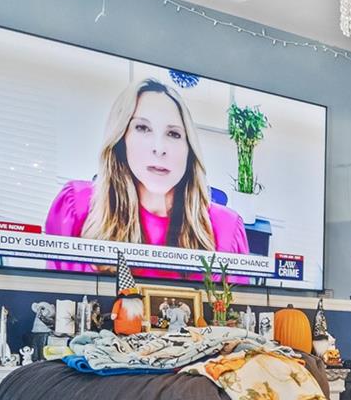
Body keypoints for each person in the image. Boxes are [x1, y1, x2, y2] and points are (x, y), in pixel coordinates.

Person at [43, 79, 248, 274]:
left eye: (174, 134)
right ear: (121, 139)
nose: (159, 149)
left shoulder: (227, 228)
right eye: (142, 128)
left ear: (189, 149)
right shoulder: (75, 205)